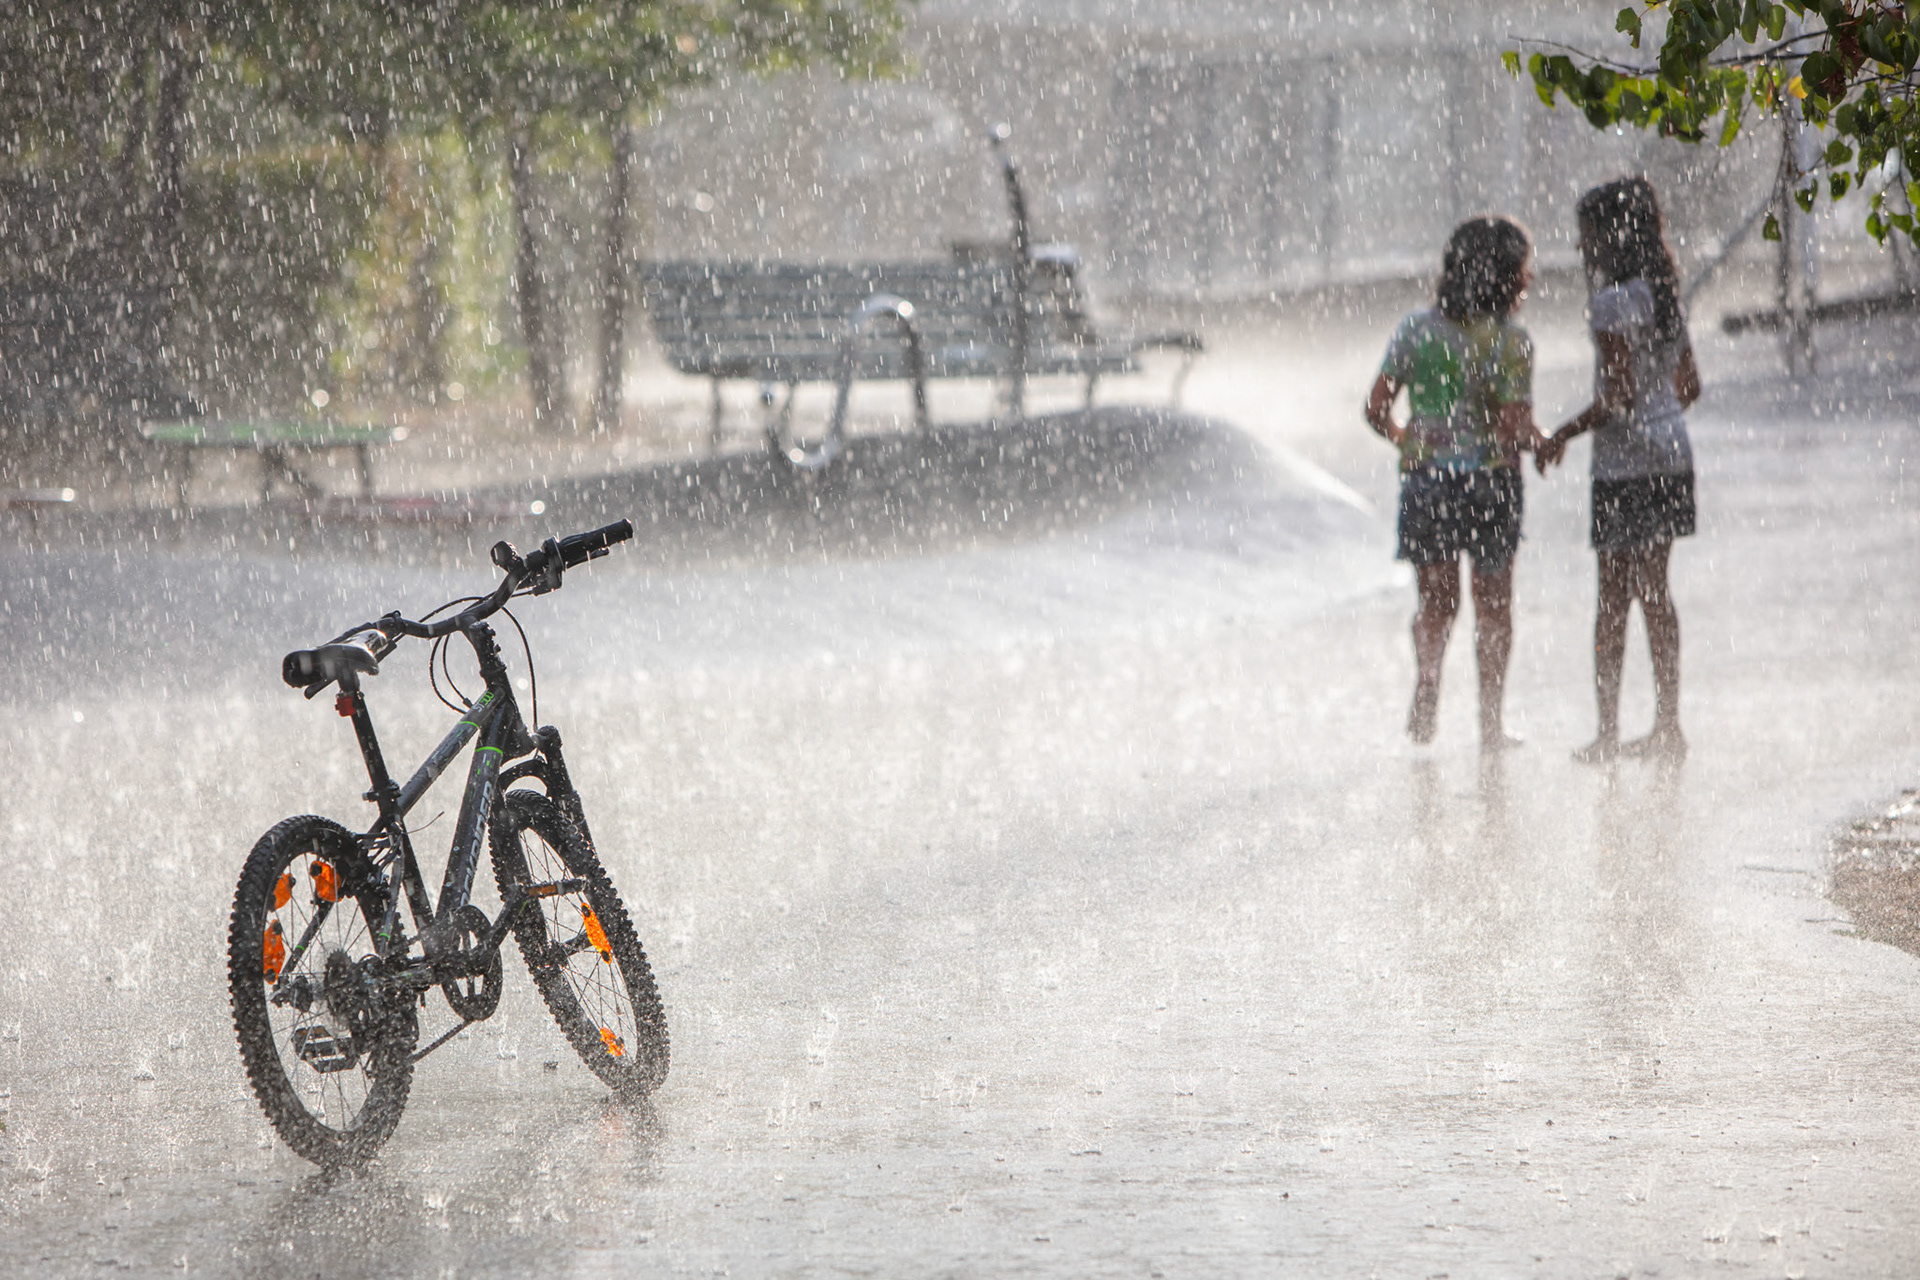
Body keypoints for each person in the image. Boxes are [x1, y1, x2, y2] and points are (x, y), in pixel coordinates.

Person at [1536, 177, 1701, 763]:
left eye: (1586, 237)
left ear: (1610, 236)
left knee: (1612, 599)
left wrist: (1561, 434)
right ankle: (1668, 725)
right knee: (1656, 593)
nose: (1582, 250)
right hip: (1672, 454)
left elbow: (1618, 397)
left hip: (1625, 465)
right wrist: (1657, 420)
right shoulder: (1662, 294)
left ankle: (1607, 732)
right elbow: (1689, 387)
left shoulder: (1610, 303)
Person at [1366, 216, 1543, 750]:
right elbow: (1514, 426)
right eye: (1523, 271)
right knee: (1492, 606)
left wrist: (1409, 440)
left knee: (1436, 603)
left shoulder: (1415, 331)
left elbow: (1375, 408)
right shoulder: (1513, 342)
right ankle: (1490, 723)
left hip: (1428, 484)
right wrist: (1546, 439)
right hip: (1491, 483)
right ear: (1509, 278)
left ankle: (1428, 682)